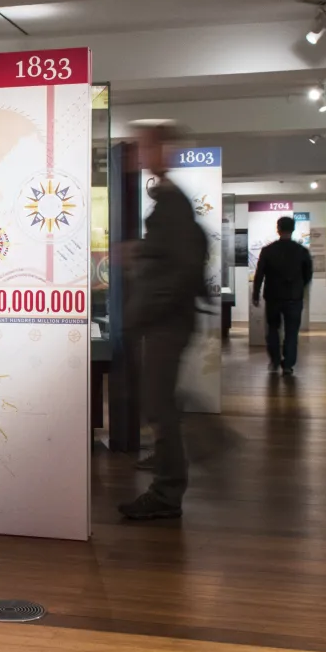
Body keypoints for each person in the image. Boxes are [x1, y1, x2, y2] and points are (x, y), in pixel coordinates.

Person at [119, 126, 208, 522]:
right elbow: (175, 258)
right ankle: (168, 474)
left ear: (165, 150)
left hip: (166, 323)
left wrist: (149, 310)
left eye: (147, 146)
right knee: (158, 401)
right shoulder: (169, 202)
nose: (141, 154)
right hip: (164, 320)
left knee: (158, 402)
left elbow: (183, 267)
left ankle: (168, 491)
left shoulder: (173, 204)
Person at [253, 217, 313, 376]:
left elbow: (259, 274)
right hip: (294, 297)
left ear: (278, 229)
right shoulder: (301, 251)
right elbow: (308, 275)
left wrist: (256, 294)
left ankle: (274, 361)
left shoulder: (268, 250)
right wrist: (299, 288)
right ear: (293, 229)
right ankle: (288, 365)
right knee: (292, 332)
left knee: (273, 329)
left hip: (273, 296)